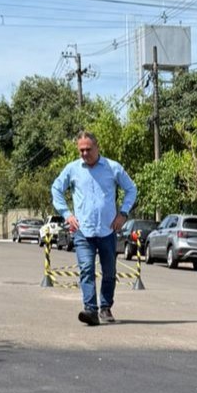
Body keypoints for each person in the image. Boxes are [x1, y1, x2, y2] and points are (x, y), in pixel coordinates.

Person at [51, 130, 137, 326]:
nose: (84, 153)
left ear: (97, 148)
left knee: (109, 272)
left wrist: (123, 213)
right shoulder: (72, 169)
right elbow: (56, 189)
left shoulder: (112, 168)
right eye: (81, 150)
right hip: (83, 230)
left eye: (88, 149)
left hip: (108, 230)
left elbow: (131, 189)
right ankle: (90, 310)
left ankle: (105, 307)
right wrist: (67, 214)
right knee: (87, 269)